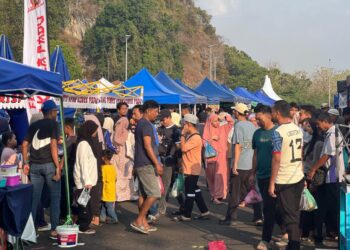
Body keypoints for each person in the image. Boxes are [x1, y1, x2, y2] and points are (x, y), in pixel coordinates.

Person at [22, 100, 61, 239]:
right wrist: (58, 166)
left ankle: (31, 231)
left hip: (34, 166)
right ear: (51, 112)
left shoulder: (34, 125)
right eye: (56, 111)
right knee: (55, 198)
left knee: (34, 199)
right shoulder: (54, 125)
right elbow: (54, 146)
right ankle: (54, 229)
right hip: (49, 165)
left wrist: (26, 162)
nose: (57, 113)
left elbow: (24, 144)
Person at [269, 100, 304, 250]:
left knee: (290, 217)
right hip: (298, 176)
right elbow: (300, 154)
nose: (271, 114)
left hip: (284, 178)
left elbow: (276, 158)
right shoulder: (297, 129)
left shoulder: (278, 132)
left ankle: (294, 244)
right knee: (293, 213)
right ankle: (292, 243)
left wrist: (272, 183)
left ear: (277, 112)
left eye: (272, 111)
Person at [251, 105, 286, 250]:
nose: (258, 121)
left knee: (269, 209)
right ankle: (285, 231)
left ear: (268, 115)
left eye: (259, 118)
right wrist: (252, 173)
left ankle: (265, 240)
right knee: (271, 208)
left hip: (277, 177)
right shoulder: (257, 134)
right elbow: (255, 154)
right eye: (256, 119)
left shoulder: (278, 132)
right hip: (262, 175)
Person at [307, 112, 344, 243]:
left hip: (333, 176)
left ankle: (337, 234)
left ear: (324, 121)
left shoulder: (333, 134)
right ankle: (332, 232)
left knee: (333, 207)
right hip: (331, 175)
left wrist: (313, 169)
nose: (318, 127)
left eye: (318, 124)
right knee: (328, 206)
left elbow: (327, 155)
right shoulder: (330, 133)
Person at [220, 103, 259, 226]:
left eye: (234, 111)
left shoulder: (239, 125)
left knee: (235, 191)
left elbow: (238, 145)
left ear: (237, 113)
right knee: (250, 189)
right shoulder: (252, 126)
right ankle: (258, 216)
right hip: (250, 163)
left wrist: (235, 164)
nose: (233, 113)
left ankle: (231, 218)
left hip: (241, 163)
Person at [131, 100, 163, 234]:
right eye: (155, 111)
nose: (157, 114)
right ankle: (139, 220)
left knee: (143, 194)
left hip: (140, 162)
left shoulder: (140, 124)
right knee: (155, 193)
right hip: (146, 164)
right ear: (148, 110)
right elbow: (147, 145)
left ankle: (143, 222)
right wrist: (157, 163)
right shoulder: (147, 125)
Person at [175, 114, 209, 221]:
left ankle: (187, 215)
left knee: (189, 192)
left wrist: (182, 134)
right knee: (195, 190)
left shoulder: (195, 137)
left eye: (184, 124)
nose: (183, 126)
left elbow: (184, 148)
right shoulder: (192, 136)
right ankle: (204, 211)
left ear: (188, 124)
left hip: (192, 169)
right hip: (189, 167)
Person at [74, 120, 99, 234]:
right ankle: (83, 226)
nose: (95, 133)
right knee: (84, 205)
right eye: (94, 131)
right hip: (84, 180)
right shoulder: (83, 144)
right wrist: (87, 180)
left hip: (88, 179)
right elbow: (83, 162)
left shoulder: (87, 142)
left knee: (85, 203)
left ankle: (82, 224)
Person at [202, 112, 233, 204]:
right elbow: (203, 143)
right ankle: (213, 194)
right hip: (210, 156)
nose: (217, 123)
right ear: (210, 121)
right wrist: (211, 139)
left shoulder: (223, 128)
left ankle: (219, 195)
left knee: (220, 175)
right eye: (214, 121)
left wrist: (225, 116)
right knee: (210, 177)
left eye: (218, 120)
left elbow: (231, 122)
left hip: (221, 155)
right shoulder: (207, 130)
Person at [157, 109, 181, 215]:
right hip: (159, 159)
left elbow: (178, 148)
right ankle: (183, 206)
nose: (162, 122)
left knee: (167, 185)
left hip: (170, 162)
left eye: (163, 119)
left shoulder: (176, 130)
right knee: (169, 185)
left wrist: (179, 162)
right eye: (161, 120)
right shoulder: (159, 129)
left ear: (169, 117)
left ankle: (161, 209)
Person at [60, 118, 78, 219]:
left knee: (66, 192)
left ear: (67, 127)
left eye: (63, 127)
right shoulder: (74, 138)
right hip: (72, 168)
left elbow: (65, 155)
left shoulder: (71, 140)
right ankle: (71, 213)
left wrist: (60, 166)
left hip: (68, 169)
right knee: (71, 192)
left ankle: (65, 214)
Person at [113, 111, 130, 201]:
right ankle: (120, 195)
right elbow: (117, 139)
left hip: (122, 151)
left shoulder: (121, 124)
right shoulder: (122, 124)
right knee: (121, 173)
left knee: (122, 173)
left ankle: (121, 195)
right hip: (121, 151)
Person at [100, 149, 119, 224]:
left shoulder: (103, 168)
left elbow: (103, 180)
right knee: (104, 205)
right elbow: (115, 179)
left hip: (106, 191)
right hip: (112, 190)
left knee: (108, 207)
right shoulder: (112, 167)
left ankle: (114, 218)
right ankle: (102, 217)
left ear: (103, 158)